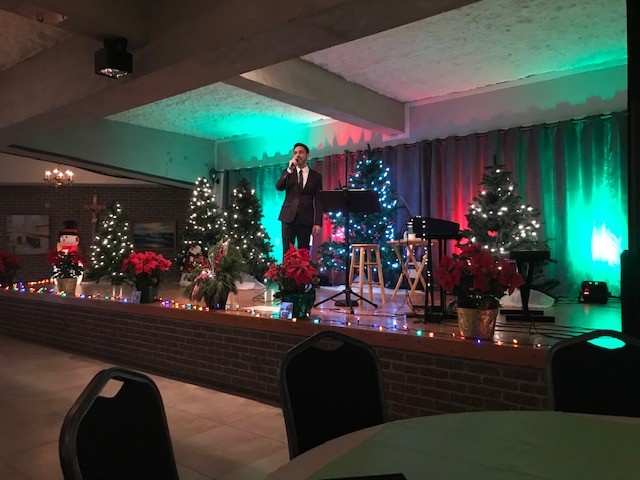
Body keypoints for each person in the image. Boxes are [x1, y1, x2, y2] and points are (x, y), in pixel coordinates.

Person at [276, 142, 323, 255]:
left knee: (304, 253)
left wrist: (318, 222)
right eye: (295, 153)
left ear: (307, 155)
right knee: (287, 252)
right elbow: (279, 187)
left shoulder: (316, 176)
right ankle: (286, 273)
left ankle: (303, 273)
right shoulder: (288, 172)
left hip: (305, 218)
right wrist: (288, 170)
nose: (297, 155)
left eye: (301, 152)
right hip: (288, 217)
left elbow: (319, 200)